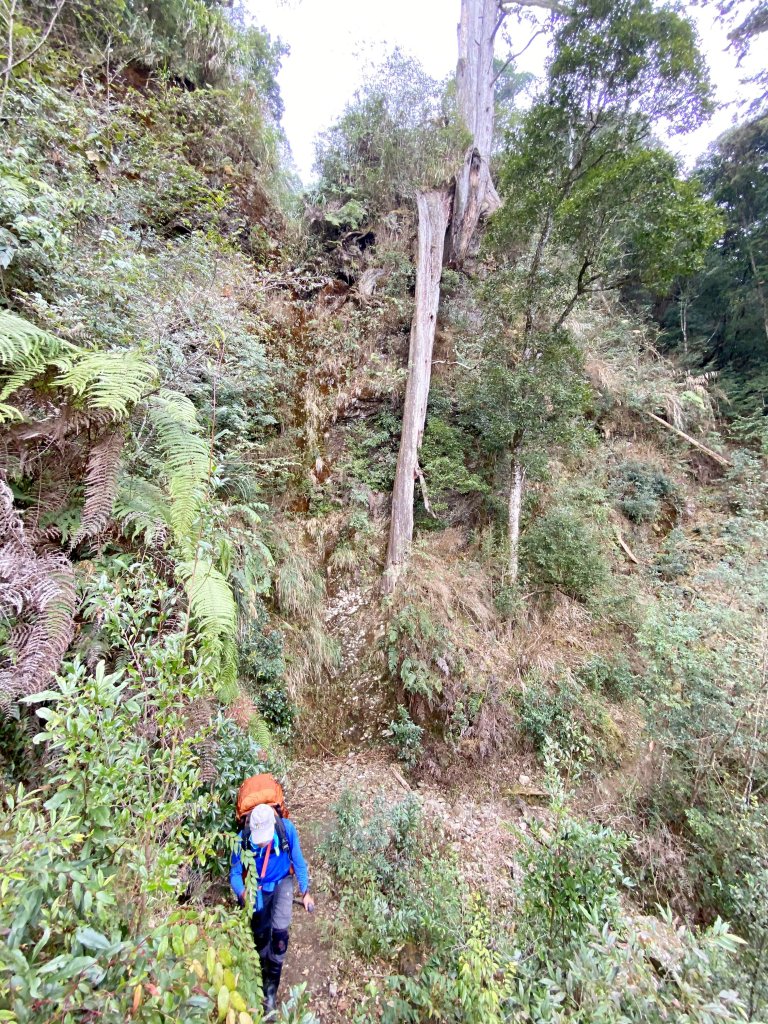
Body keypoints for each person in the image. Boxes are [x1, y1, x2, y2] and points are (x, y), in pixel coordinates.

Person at [229, 803, 315, 1014]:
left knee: (279, 935)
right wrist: (243, 894)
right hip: (256, 887)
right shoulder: (242, 838)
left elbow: (298, 861)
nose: (264, 841)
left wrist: (305, 892)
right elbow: (234, 874)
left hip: (283, 883)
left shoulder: (286, 830)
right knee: (259, 935)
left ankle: (270, 992)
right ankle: (261, 969)